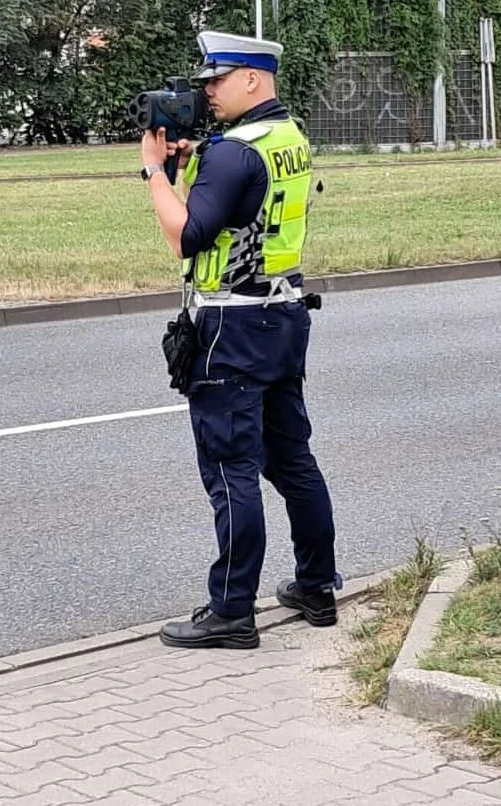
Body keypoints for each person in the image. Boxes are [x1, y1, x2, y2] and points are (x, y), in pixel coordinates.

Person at [140, 30, 341, 650]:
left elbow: (187, 236)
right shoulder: (287, 137)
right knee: (293, 460)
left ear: (252, 78)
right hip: (282, 314)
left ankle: (231, 611)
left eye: (216, 81)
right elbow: (252, 206)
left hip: (230, 324)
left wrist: (154, 171)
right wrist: (194, 160)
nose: (206, 93)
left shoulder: (234, 152)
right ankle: (315, 587)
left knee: (231, 469)